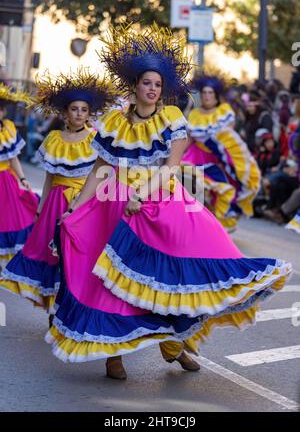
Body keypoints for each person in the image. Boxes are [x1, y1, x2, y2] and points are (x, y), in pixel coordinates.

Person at [46, 25, 291, 380]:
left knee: (177, 272)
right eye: (147, 83)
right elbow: (101, 169)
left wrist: (141, 196)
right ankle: (113, 355)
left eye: (158, 85)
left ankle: (174, 344)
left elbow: (171, 168)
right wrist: (76, 207)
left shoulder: (172, 120)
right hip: (115, 204)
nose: (152, 89)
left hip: (161, 201)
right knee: (112, 286)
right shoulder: (114, 123)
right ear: (135, 87)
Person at [0, 70, 115, 318]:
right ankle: (54, 305)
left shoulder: (95, 138)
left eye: (84, 110)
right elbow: (50, 175)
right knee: (49, 251)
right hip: (55, 200)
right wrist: (42, 206)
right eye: (74, 109)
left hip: (83, 201)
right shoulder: (53, 138)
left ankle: (75, 301)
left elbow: (103, 172)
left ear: (89, 113)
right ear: (65, 112)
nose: (79, 114)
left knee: (79, 252)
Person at [182, 74, 261, 232]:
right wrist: (175, 156)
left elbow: (228, 139)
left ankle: (216, 225)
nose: (206, 96)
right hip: (196, 157)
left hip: (219, 158)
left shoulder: (224, 111)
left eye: (210, 92)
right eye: (204, 92)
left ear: (216, 95)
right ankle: (193, 225)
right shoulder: (194, 114)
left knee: (224, 188)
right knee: (193, 188)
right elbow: (188, 139)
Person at [0, 83, 39, 273]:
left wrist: (23, 179)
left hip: (5, 181)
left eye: (0, 109)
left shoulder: (7, 128)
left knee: (8, 219)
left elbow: (12, 157)